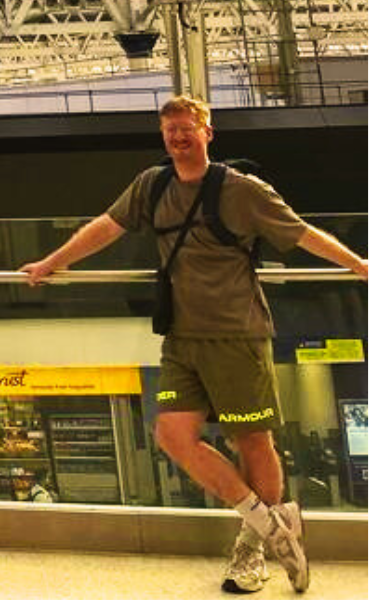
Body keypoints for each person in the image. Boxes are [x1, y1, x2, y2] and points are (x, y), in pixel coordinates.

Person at [20, 96, 367, 595]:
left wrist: (358, 265)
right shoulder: (152, 184)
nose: (178, 137)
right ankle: (273, 525)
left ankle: (251, 550)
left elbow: (300, 233)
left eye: (187, 128)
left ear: (208, 132)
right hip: (180, 336)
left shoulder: (241, 190)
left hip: (236, 334)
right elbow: (106, 226)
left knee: (252, 441)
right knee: (172, 435)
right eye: (170, 130)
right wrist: (53, 262)